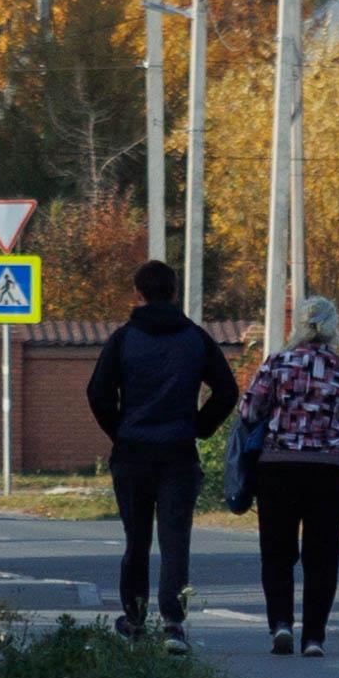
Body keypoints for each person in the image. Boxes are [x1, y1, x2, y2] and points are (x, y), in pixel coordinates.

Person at [86, 259, 239, 655]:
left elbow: (98, 393)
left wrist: (119, 430)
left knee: (136, 541)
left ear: (138, 294)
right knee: (175, 542)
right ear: (174, 293)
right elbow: (226, 391)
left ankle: (134, 619)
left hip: (132, 455)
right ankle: (173, 624)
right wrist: (199, 427)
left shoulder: (123, 340)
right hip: (177, 454)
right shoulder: (195, 338)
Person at [237, 296, 339, 657]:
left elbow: (249, 409)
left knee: (277, 551)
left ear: (298, 324)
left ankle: (281, 624)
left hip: (278, 466)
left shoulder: (277, 364)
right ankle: (313, 636)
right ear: (334, 327)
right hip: (330, 469)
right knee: (323, 554)